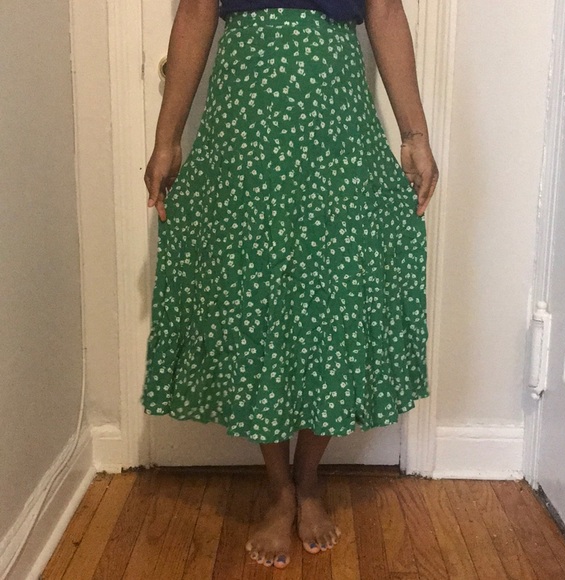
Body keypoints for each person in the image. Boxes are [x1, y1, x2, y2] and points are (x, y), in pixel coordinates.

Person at [141, 0, 438, 570]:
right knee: (253, 297)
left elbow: (384, 10)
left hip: (335, 116)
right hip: (245, 118)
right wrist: (167, 139)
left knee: (335, 294)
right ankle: (280, 489)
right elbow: (197, 11)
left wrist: (415, 135)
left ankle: (308, 479)